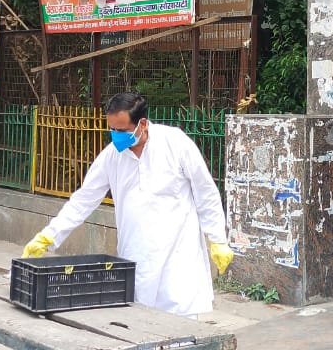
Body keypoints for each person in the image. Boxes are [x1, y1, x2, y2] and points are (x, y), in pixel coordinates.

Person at [22, 93, 233, 318]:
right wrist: (49, 236)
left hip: (178, 256)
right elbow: (84, 199)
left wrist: (217, 239)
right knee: (139, 322)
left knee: (179, 326)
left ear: (142, 124)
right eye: (112, 130)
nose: (116, 136)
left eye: (121, 130)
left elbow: (206, 192)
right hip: (136, 255)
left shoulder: (175, 143)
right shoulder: (112, 156)